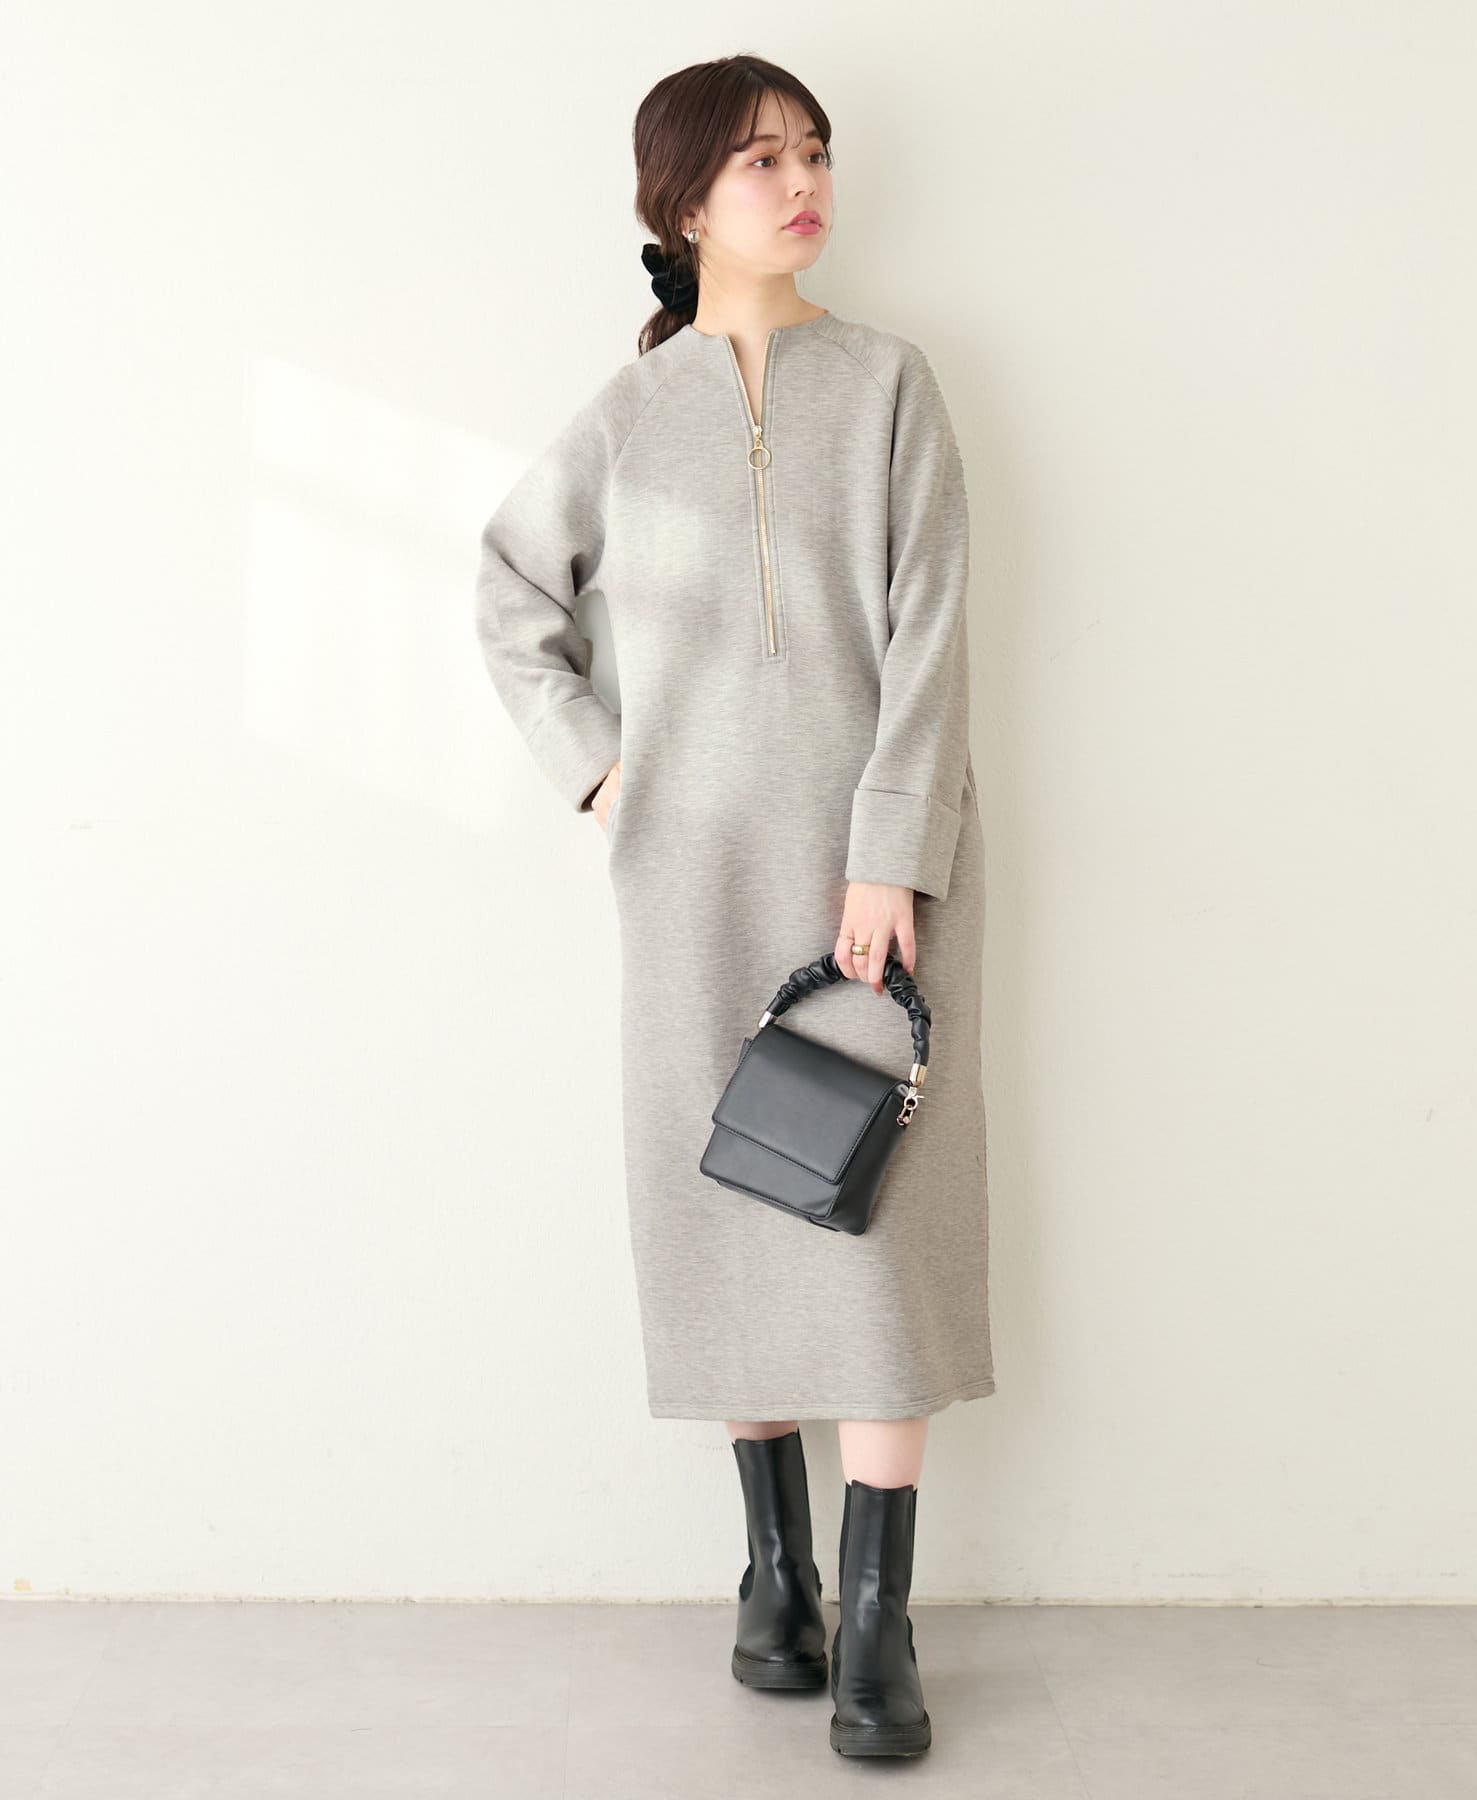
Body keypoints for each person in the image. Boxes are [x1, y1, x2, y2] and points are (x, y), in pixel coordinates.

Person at [474, 52, 994, 1759]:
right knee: (728, 1198)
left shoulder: (893, 382)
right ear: (685, 200)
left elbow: (931, 628)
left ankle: (878, 1623)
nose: (802, 181)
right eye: (762, 159)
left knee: (879, 1211)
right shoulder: (631, 414)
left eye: (814, 152)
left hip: (878, 869)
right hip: (689, 874)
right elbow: (509, 592)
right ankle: (774, 1576)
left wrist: (889, 849)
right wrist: (600, 775)